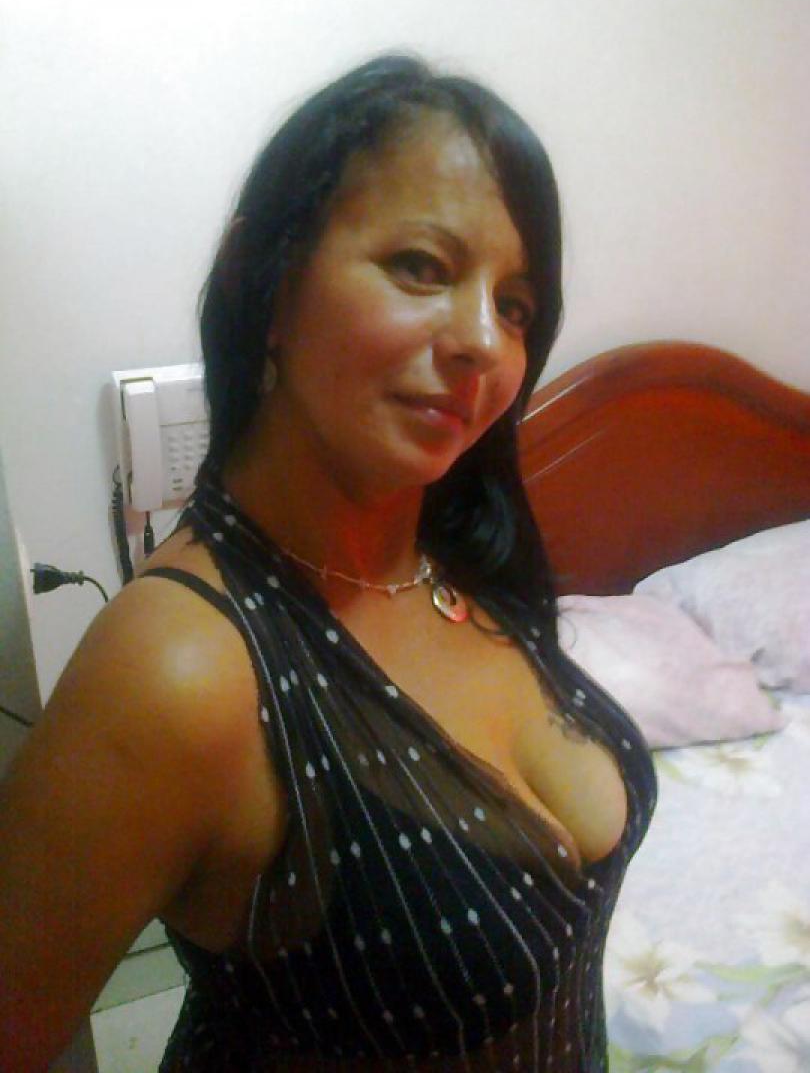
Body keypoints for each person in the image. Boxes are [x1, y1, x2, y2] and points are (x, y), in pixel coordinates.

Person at [0, 55, 656, 1071]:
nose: (484, 341)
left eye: (518, 305)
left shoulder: (460, 560)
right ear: (262, 279)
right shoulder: (181, 668)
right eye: (422, 266)